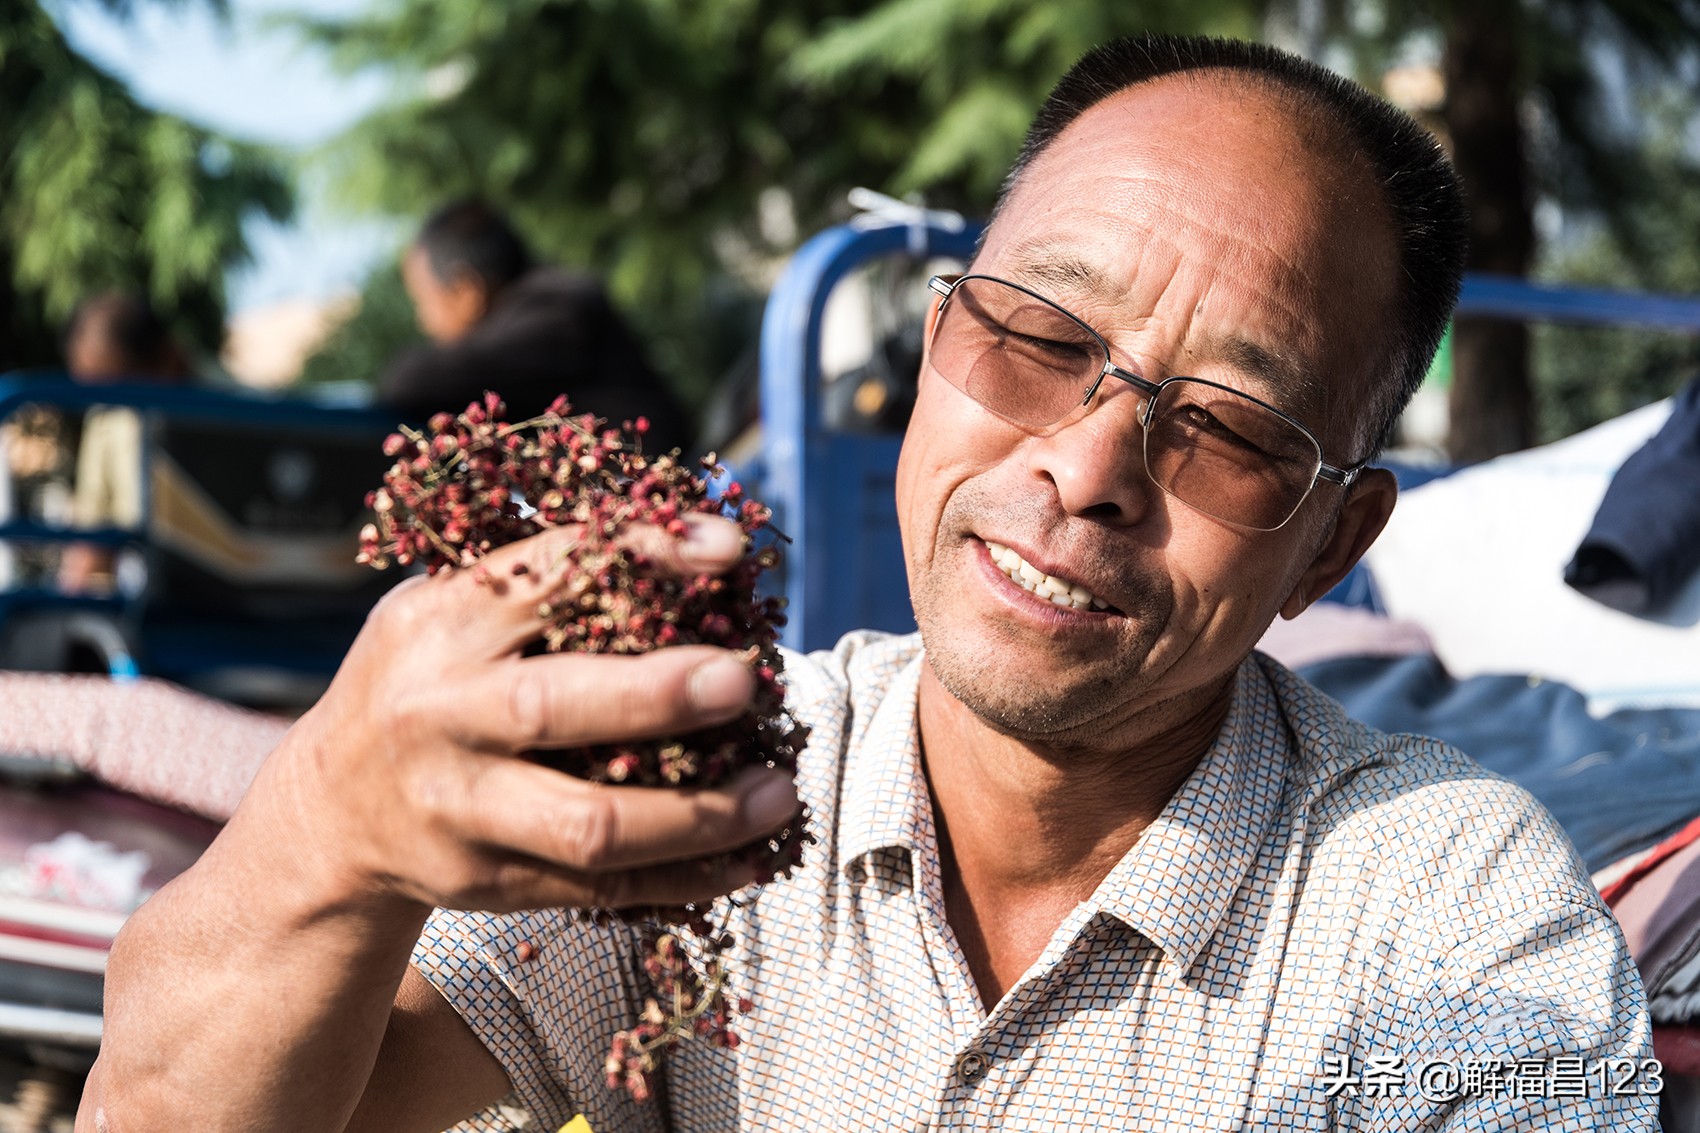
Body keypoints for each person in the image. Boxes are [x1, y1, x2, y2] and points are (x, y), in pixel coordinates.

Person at [79, 34, 1655, 1132]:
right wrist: (326, 831)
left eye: (1232, 428)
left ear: (1333, 541)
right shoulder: (709, 801)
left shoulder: (1455, 923)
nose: (1090, 467)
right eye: (1037, 338)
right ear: (931, 347)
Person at [381, 200, 690, 453]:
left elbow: (412, 380)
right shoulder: (551, 301)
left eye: (422, 300)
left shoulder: (555, 310)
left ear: (466, 290)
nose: (421, 320)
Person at [57, 294, 189, 595]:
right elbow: (90, 552)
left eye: (119, 390)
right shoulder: (106, 420)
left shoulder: (244, 411)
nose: (107, 405)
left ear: (166, 360)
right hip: (152, 614)